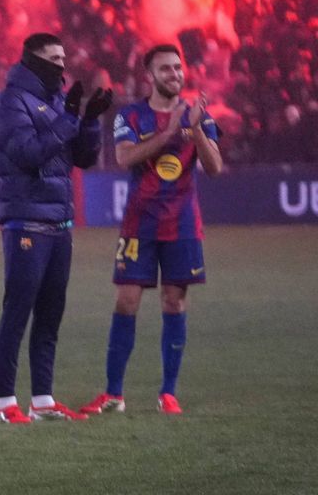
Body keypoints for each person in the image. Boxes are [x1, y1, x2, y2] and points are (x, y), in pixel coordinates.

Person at [80, 44, 224, 416]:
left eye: (178, 68)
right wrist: (170, 132)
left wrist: (195, 130)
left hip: (182, 224)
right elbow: (125, 157)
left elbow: (215, 168)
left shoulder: (198, 115)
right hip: (139, 224)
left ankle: (168, 393)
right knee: (126, 300)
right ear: (150, 76)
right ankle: (114, 394)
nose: (174, 74)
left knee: (173, 301)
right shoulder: (130, 115)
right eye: (166, 69)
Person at [0, 32, 110, 424]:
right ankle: (5, 403)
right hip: (26, 219)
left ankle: (42, 399)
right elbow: (28, 153)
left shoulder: (57, 100)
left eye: (64, 56)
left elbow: (84, 159)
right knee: (18, 311)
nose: (62, 64)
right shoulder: (11, 101)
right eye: (54, 58)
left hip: (59, 220)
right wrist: (68, 120)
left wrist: (90, 121)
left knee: (50, 314)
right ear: (33, 60)